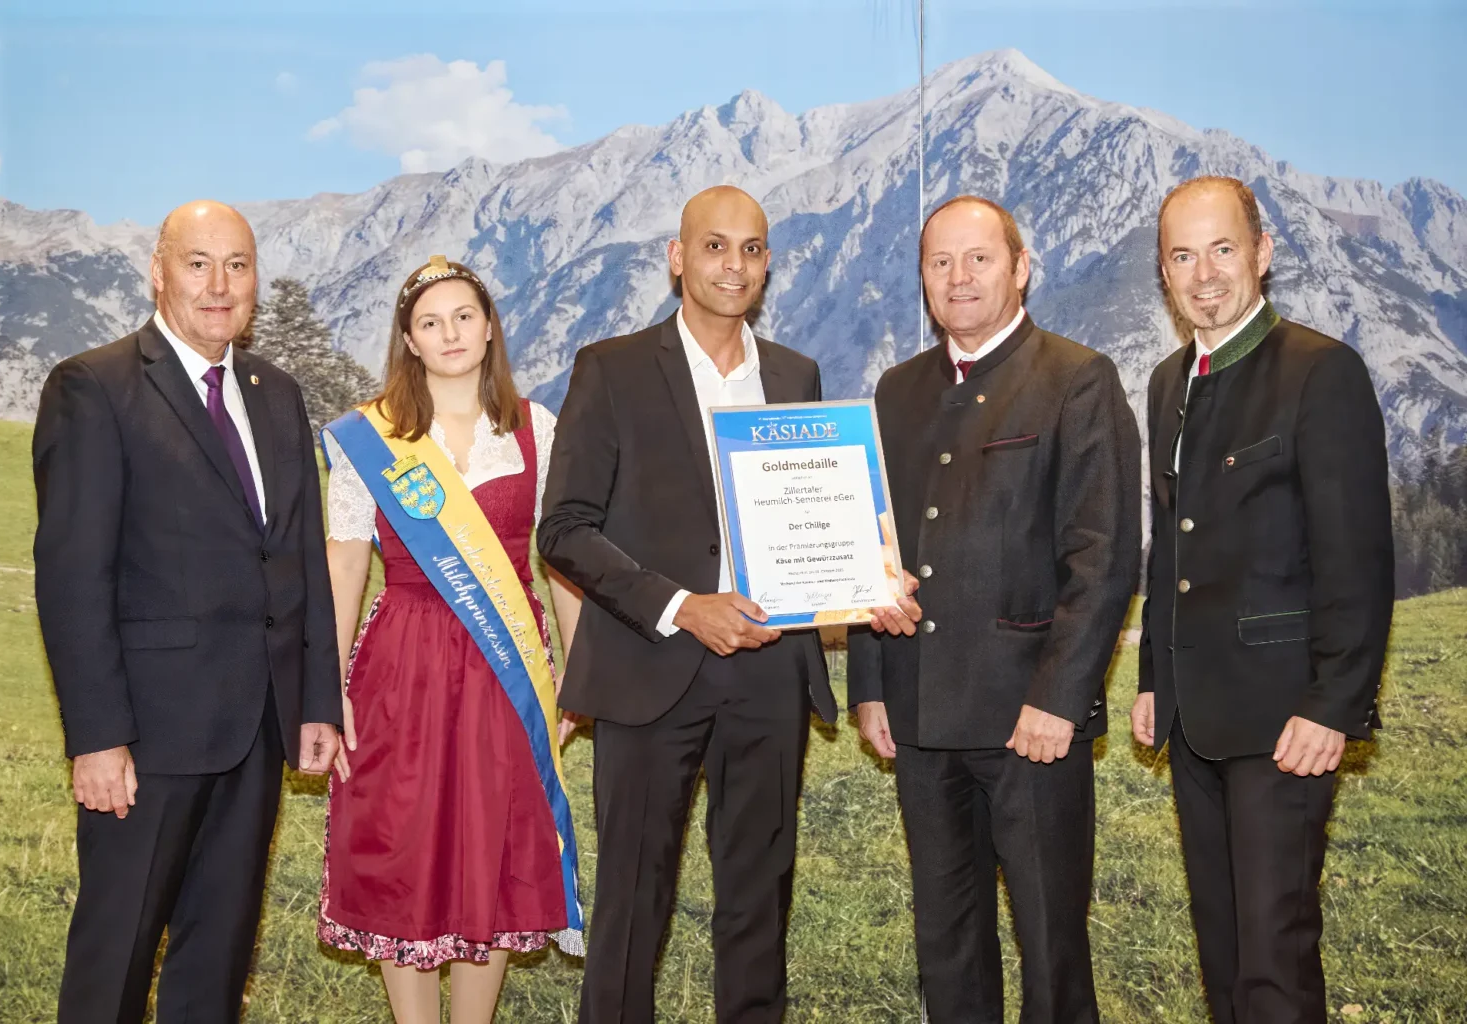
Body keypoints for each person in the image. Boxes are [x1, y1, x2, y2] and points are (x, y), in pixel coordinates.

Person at [32, 200, 343, 1023]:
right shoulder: (93, 386)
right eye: (198, 263)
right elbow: (72, 576)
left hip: (257, 729)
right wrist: (98, 736)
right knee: (116, 957)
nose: (219, 285)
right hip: (146, 738)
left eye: (237, 265)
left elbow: (300, 553)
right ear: (158, 272)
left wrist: (317, 701)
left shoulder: (274, 392)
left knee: (218, 957)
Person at [538, 185, 835, 1024]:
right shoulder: (612, 367)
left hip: (770, 674)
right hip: (649, 668)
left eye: (749, 249)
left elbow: (815, 515)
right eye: (713, 246)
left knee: (757, 901)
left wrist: (854, 570)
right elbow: (563, 528)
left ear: (767, 265)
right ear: (678, 257)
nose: (731, 264)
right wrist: (680, 606)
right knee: (633, 905)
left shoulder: (795, 375)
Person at [848, 195, 1140, 1024]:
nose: (959, 277)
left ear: (1021, 267)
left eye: (979, 258)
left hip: (1029, 722)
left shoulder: (1078, 379)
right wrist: (870, 684)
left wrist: (1059, 699)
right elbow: (876, 549)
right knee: (945, 940)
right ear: (923, 282)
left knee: (1051, 945)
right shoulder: (896, 391)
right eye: (940, 263)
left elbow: (1103, 557)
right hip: (920, 714)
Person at [1134, 175, 1394, 1024]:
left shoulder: (1323, 372)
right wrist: (1151, 679)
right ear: (1164, 272)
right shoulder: (1169, 382)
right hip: (1195, 716)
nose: (1204, 274)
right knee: (1223, 951)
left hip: (1287, 722)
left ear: (1263, 253)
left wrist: (1334, 703)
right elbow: (1170, 545)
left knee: (1274, 957)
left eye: (1221, 249)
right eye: (1182, 255)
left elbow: (1357, 560)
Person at [316, 256, 585, 1024]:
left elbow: (562, 560)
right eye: (430, 322)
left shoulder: (538, 428)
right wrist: (327, 685)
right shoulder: (370, 438)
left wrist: (578, 669)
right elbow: (344, 563)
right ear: (409, 339)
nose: (450, 333)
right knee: (405, 842)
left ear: (490, 323)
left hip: (509, 665)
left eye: (464, 315)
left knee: (494, 844)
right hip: (404, 661)